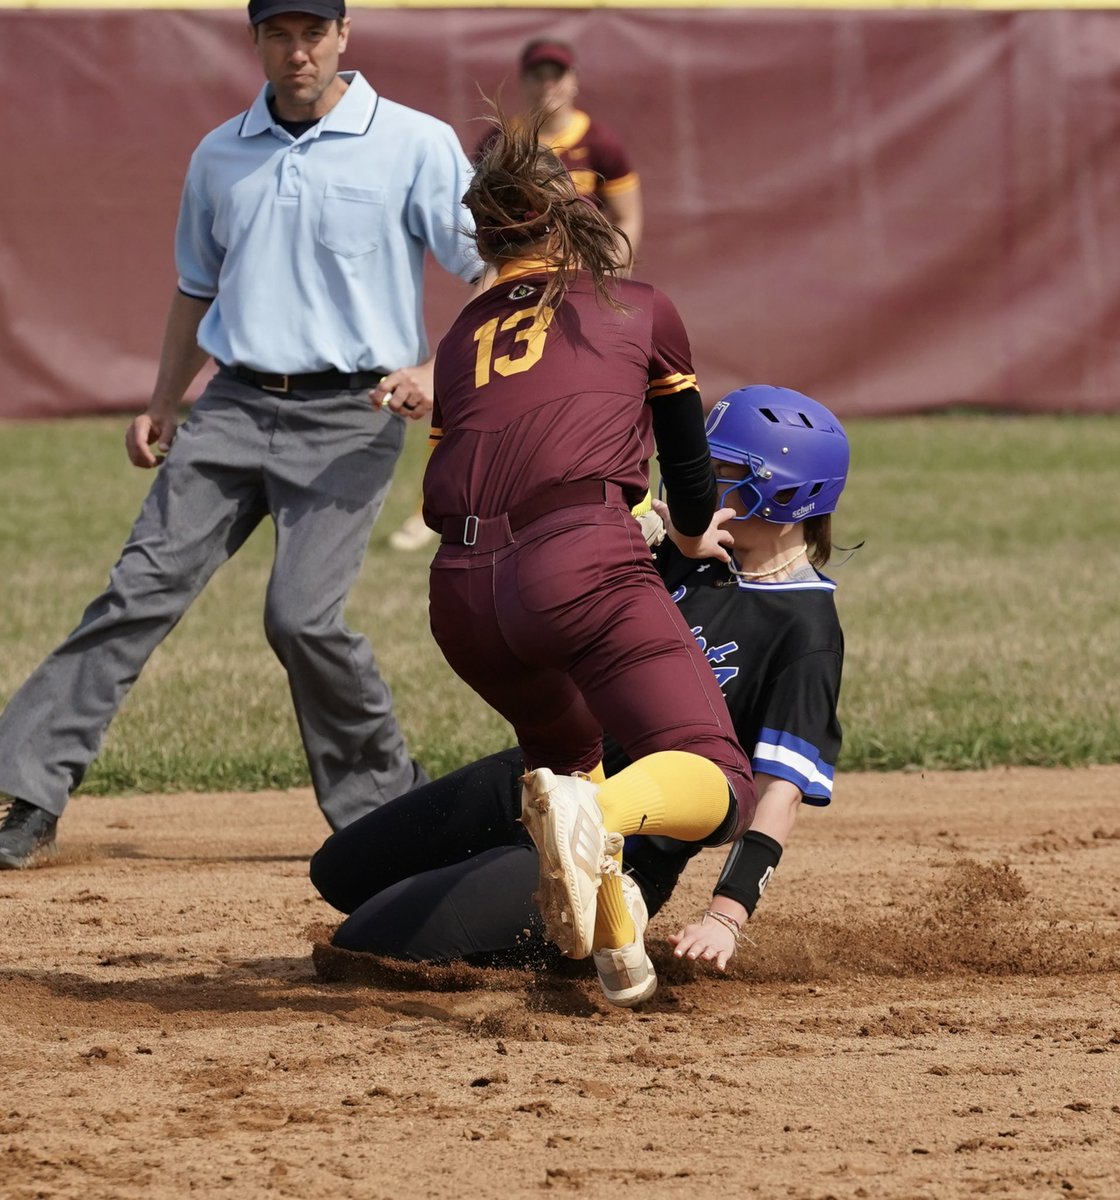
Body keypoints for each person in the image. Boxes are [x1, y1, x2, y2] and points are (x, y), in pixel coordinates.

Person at [0, 0, 482, 871]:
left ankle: (389, 806)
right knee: (133, 596)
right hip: (229, 406)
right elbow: (195, 286)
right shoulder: (221, 153)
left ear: (345, 35)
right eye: (278, 33)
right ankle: (29, 791)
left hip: (350, 416)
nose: (297, 50)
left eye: (312, 31)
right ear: (255, 39)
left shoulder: (414, 141)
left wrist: (438, 374)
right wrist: (163, 401)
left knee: (300, 619)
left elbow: (496, 272)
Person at [309, 384, 849, 991]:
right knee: (340, 873)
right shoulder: (679, 553)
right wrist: (658, 538)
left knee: (366, 941)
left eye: (720, 469)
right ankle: (507, 900)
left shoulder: (804, 627)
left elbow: (780, 791)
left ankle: (591, 921)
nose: (696, 477)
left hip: (617, 847)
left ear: (783, 493)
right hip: (542, 773)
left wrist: (726, 915)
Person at [408, 105, 761, 1008]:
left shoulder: (457, 339)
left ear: (485, 235)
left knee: (571, 755)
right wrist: (686, 530)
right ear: (567, 218)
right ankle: (594, 816)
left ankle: (619, 961)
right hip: (575, 558)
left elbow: (452, 468)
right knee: (715, 778)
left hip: (461, 594)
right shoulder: (636, 304)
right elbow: (686, 464)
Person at [387, 35, 642, 554]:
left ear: (574, 79)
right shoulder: (503, 140)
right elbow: (478, 217)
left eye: (558, 73)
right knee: (473, 396)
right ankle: (430, 509)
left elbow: (628, 220)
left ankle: (619, 507)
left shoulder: (602, 143)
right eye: (539, 75)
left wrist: (605, 280)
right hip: (513, 285)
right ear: (524, 81)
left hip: (577, 289)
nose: (549, 84)